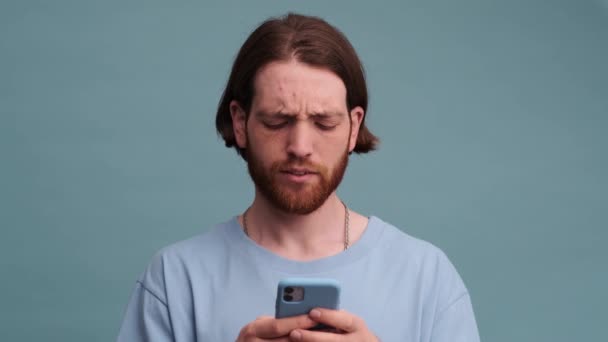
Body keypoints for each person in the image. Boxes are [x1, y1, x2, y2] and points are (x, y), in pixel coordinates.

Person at [117, 13, 480, 342]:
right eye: (278, 121)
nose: (300, 146)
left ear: (353, 128)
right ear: (241, 123)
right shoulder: (174, 281)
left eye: (324, 123)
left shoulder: (427, 279)